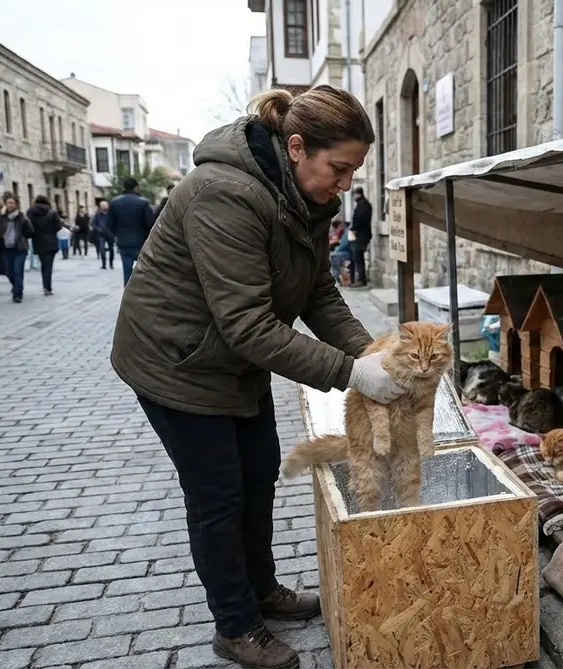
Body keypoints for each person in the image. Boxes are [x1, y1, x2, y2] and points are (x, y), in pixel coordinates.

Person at [110, 85, 404, 669]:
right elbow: (247, 323)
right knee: (219, 494)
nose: (346, 185)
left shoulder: (306, 195)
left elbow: (319, 291)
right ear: (296, 147)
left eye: (354, 172)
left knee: (260, 473)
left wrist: (374, 353)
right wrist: (352, 374)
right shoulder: (225, 192)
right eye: (339, 169)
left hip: (232, 361)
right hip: (177, 362)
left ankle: (263, 589)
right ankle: (236, 623)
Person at [107, 177, 156, 286]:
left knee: (127, 270)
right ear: (136, 187)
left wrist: (116, 235)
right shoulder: (143, 203)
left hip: (123, 241)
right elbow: (150, 224)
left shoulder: (114, 203)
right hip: (140, 242)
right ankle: (142, 291)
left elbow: (108, 225)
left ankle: (128, 292)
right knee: (143, 269)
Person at [0, 194, 34, 303]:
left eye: (12, 203)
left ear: (16, 204)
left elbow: (30, 231)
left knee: (17, 271)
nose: (10, 205)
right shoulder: (1, 217)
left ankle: (17, 294)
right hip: (6, 248)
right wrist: (0, 217)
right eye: (8, 203)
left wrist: (22, 237)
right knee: (9, 272)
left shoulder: (22, 217)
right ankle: (17, 286)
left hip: (20, 248)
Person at [28, 195, 64, 296]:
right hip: (51, 241)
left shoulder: (30, 212)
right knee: (49, 265)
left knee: (44, 264)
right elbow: (58, 226)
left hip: (38, 241)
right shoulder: (52, 212)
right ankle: (47, 287)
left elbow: (28, 226)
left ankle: (46, 286)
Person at [348, 186, 372, 286]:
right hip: (362, 235)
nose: (354, 197)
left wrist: (353, 228)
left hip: (361, 235)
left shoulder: (363, 205)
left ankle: (361, 280)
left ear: (358, 194)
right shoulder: (363, 204)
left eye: (354, 194)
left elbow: (360, 220)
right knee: (358, 257)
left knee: (358, 257)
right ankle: (361, 279)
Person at [92, 200, 113, 270]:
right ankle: (104, 264)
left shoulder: (111, 214)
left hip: (110, 234)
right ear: (101, 207)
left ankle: (111, 263)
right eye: (103, 206)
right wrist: (98, 229)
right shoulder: (97, 214)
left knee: (111, 249)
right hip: (101, 234)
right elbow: (93, 224)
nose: (104, 207)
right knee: (102, 249)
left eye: (105, 206)